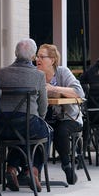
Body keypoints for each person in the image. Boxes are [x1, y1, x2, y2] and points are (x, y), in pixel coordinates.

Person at [0, 38, 50, 192]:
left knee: (19, 130)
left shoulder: (2, 73)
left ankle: (11, 168)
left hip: (1, 127)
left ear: (15, 53)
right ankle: (33, 170)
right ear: (33, 57)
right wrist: (41, 119)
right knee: (44, 132)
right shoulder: (38, 75)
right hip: (27, 124)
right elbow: (43, 105)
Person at [36, 43, 85, 184]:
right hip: (45, 116)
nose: (37, 59)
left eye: (42, 56)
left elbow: (79, 92)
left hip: (69, 117)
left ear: (52, 60)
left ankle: (67, 166)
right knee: (38, 131)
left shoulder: (62, 72)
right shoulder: (35, 74)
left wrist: (54, 89)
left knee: (60, 130)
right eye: (37, 56)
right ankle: (33, 172)